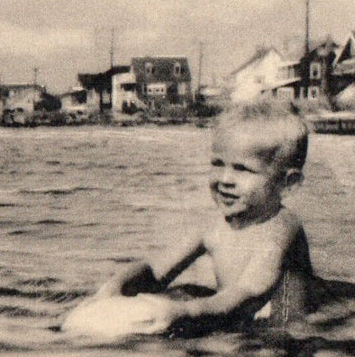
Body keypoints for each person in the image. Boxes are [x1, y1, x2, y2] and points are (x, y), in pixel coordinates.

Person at [90, 99, 316, 334]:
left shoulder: (282, 227)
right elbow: (156, 270)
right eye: (218, 164)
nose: (225, 179)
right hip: (238, 316)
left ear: (288, 183)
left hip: (290, 331)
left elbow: (249, 292)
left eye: (242, 169)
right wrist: (116, 286)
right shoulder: (213, 227)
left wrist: (186, 312)